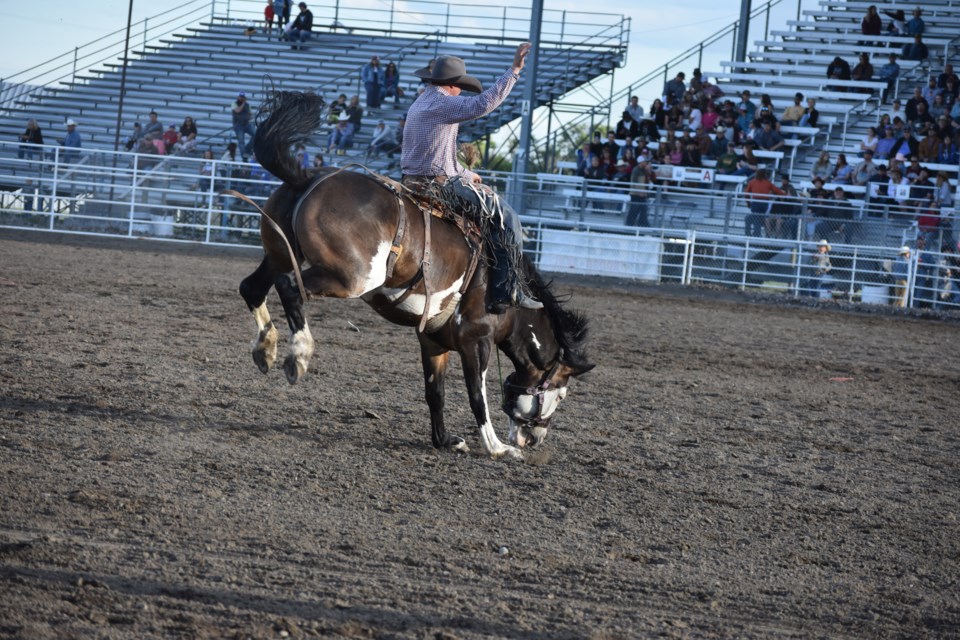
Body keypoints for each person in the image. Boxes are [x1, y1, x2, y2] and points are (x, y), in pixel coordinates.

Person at [400, 43, 540, 312]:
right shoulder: (443, 103)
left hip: (415, 178)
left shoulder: (422, 101)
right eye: (459, 85)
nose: (461, 90)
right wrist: (514, 71)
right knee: (507, 217)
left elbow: (437, 156)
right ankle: (506, 289)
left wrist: (467, 173)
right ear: (451, 84)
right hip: (438, 185)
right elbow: (484, 103)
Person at [742, 169, 784, 237]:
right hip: (764, 203)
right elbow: (778, 191)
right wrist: (785, 195)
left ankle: (756, 234)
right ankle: (753, 233)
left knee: (756, 218)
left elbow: (746, 194)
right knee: (754, 218)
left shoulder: (752, 182)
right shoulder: (767, 183)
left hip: (756, 202)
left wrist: (748, 202)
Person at [625, 160, 653, 227]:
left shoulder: (644, 171)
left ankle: (643, 223)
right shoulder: (636, 170)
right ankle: (629, 223)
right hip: (635, 193)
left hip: (642, 193)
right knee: (634, 209)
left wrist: (649, 171)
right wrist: (639, 192)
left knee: (643, 209)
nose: (646, 164)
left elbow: (649, 180)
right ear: (641, 162)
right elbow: (634, 182)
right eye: (645, 162)